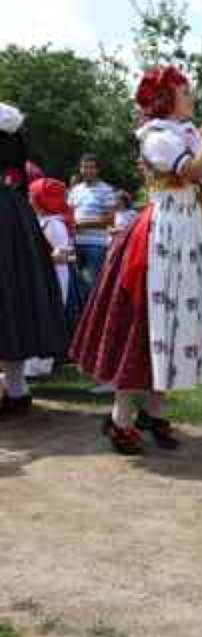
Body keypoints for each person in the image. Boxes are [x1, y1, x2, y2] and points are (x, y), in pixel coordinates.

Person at [70, 66, 202, 455]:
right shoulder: (157, 138)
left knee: (173, 324)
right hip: (163, 235)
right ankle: (121, 419)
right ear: (165, 99)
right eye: (184, 91)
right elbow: (196, 169)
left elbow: (200, 160)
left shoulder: (181, 132)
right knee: (145, 323)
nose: (190, 95)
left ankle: (153, 413)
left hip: (186, 231)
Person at [0, 103, 67, 415]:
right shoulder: (19, 199)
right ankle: (17, 390)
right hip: (16, 221)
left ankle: (15, 390)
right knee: (15, 303)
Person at [25, 177, 75, 378]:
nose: (28, 198)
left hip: (51, 279)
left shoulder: (54, 224)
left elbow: (63, 256)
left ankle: (39, 366)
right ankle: (30, 364)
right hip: (40, 278)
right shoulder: (40, 221)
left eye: (31, 194)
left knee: (45, 318)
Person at [68, 153, 116, 298]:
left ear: (97, 170)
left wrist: (83, 224)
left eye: (91, 167)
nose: (87, 170)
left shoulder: (106, 190)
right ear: (80, 169)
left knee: (94, 286)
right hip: (75, 243)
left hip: (96, 245)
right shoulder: (76, 190)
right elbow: (69, 213)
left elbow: (110, 220)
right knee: (77, 286)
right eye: (84, 167)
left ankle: (95, 319)